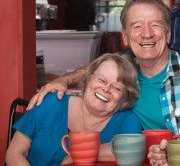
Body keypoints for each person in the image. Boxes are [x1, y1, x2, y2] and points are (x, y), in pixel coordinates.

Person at [27, 0, 180, 165]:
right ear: (125, 37)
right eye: (137, 26)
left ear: (168, 34)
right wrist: (64, 80)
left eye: (155, 25)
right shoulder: (123, 73)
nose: (146, 34)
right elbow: (95, 69)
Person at [6, 53, 142, 165]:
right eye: (101, 80)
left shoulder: (127, 120)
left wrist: (74, 156)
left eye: (117, 88)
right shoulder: (51, 102)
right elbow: (14, 153)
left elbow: (129, 149)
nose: (106, 89)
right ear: (88, 79)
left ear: (125, 97)